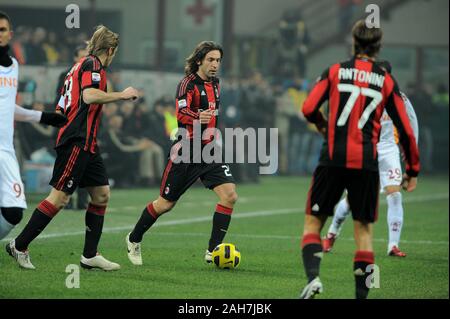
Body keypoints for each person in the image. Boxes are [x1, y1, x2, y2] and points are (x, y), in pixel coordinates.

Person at [299, 20, 420, 299]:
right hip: (366, 160)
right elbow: (406, 127)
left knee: (313, 224)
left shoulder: (334, 71)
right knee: (364, 233)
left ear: (353, 43)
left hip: (331, 157)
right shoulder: (387, 81)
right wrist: (412, 169)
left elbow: (308, 108)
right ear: (378, 47)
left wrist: (321, 123)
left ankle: (313, 278)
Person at [6, 25, 139, 270]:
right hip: (77, 140)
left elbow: (66, 103)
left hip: (88, 142)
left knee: (101, 195)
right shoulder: (93, 65)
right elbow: (89, 96)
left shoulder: (77, 67)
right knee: (59, 198)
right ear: (110, 49)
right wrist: (121, 95)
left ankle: (90, 255)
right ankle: (20, 245)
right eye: (115, 51)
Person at [126, 41, 238, 266]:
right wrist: (198, 117)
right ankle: (133, 238)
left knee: (229, 196)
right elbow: (181, 112)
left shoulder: (215, 84)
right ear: (199, 61)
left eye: (218, 60)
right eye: (211, 60)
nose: (215, 64)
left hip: (208, 150)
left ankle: (212, 250)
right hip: (185, 150)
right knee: (165, 204)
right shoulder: (187, 83)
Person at [322, 61, 420, 258]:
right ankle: (332, 233)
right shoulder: (363, 93)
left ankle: (393, 245)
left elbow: (411, 123)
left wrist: (411, 151)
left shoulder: (399, 98)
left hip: (388, 150)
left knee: (395, 195)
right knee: (352, 200)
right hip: (366, 150)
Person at [0, 11, 67, 241]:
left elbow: (8, 108)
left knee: (13, 212)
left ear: (10, 34)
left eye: (2, 30)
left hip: (5, 150)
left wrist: (44, 117)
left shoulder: (14, 66)